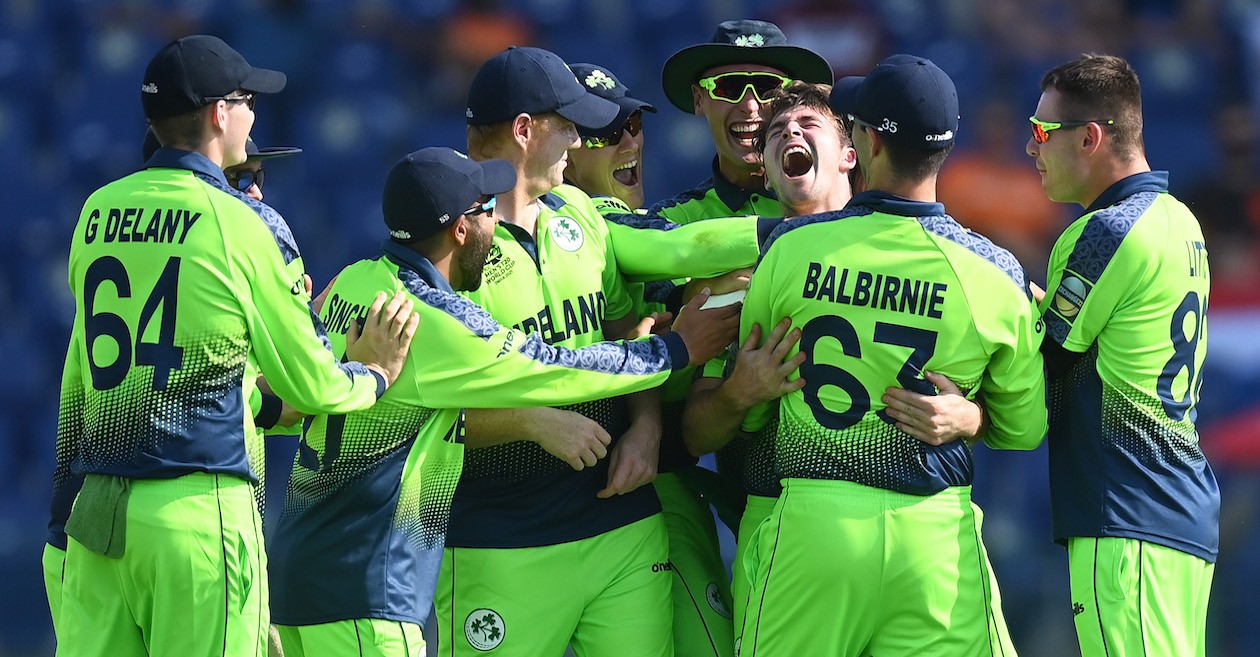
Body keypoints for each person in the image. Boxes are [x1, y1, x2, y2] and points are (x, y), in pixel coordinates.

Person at [268, 147, 740, 657]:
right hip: (368, 580)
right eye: (488, 207)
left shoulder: (353, 282)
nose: (499, 220)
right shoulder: (430, 318)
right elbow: (551, 369)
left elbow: (281, 398)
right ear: (462, 230)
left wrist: (366, 379)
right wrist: (676, 348)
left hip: (302, 565)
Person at [48, 35, 417, 657]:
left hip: (97, 514)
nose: (253, 115)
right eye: (247, 101)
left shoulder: (97, 210)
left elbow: (87, 371)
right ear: (220, 113)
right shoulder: (239, 224)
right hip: (196, 504)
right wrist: (371, 374)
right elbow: (310, 384)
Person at [436, 46, 770, 657]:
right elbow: (414, 410)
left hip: (621, 522)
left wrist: (642, 428)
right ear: (524, 131)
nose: (577, 141)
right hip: (501, 539)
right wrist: (528, 421)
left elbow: (622, 336)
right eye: (571, 126)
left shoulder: (582, 216)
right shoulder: (447, 242)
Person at [735, 55, 1047, 657]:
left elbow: (754, 409)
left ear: (869, 141)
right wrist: (973, 416)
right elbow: (1025, 430)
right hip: (935, 541)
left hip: (812, 530)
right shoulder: (994, 273)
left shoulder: (792, 250)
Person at [680, 80, 985, 652]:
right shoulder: (734, 284)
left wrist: (971, 417)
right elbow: (694, 432)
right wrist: (737, 393)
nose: (789, 134)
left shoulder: (943, 258)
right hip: (783, 535)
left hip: (916, 536)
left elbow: (1007, 391)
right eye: (775, 134)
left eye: (806, 126)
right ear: (766, 172)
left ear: (853, 153)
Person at [41, 127, 306, 644]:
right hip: (191, 528)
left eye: (258, 178)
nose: (255, 194)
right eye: (239, 179)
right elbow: (290, 396)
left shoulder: (114, 245)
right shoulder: (226, 257)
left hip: (83, 527)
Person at [1027, 53, 1218, 657]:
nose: (1031, 150)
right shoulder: (1179, 220)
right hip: (1178, 513)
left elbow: (1044, 359)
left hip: (1128, 513)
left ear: (1090, 137)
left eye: (1039, 133)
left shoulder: (1105, 232)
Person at [562, 61, 738, 657]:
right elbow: (676, 250)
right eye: (605, 131)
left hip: (644, 484)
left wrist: (647, 421)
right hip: (571, 495)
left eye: (634, 123)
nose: (631, 139)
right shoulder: (588, 218)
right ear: (561, 145)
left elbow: (630, 331)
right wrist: (808, 232)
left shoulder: (605, 221)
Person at [649, 19, 833, 224]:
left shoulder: (842, 200)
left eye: (767, 88)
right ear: (699, 99)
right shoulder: (672, 220)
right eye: (728, 87)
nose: (750, 105)